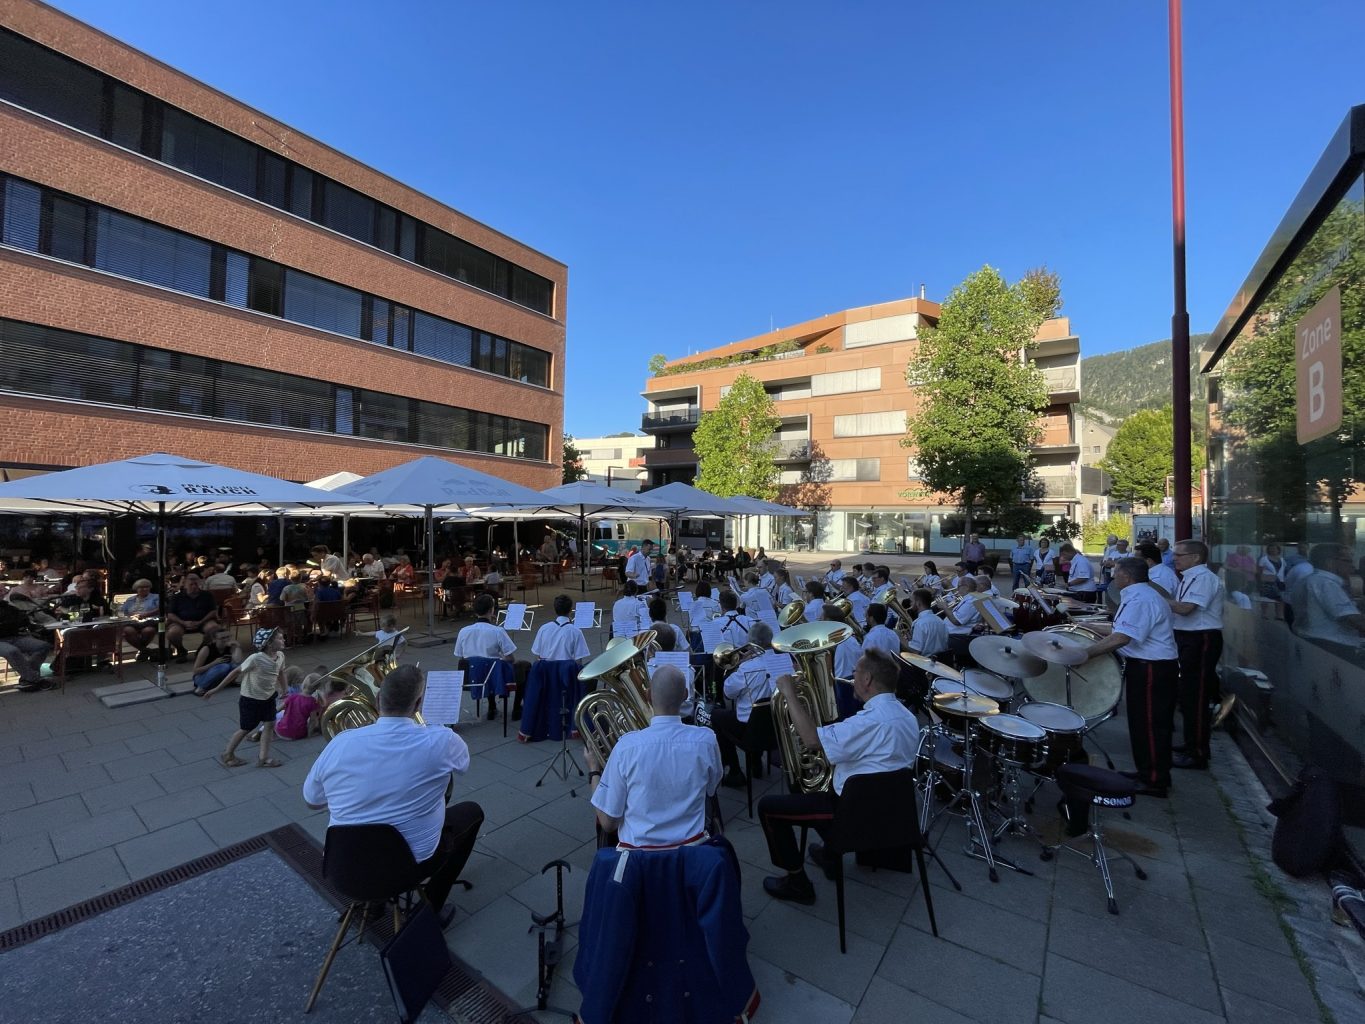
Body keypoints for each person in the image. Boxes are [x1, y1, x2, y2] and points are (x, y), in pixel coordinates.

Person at [304, 664, 483, 927]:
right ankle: (430, 911)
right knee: (473, 812)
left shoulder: (341, 742)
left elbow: (312, 801)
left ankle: (374, 903)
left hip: (341, 869)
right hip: (407, 869)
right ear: (419, 704)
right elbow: (463, 766)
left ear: (378, 699)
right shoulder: (443, 740)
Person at [757, 649, 920, 904]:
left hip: (853, 818)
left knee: (768, 807)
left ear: (867, 679)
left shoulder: (868, 722)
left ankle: (797, 882)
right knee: (823, 786)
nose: (852, 678)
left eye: (855, 672)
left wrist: (789, 694)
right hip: (892, 815)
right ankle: (830, 855)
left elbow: (812, 740)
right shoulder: (908, 717)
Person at [584, 666, 721, 846]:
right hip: (693, 852)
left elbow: (608, 823)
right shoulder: (707, 740)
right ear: (686, 695)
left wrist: (594, 770)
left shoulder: (625, 747)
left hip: (638, 857)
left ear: (648, 695)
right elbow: (711, 788)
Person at [1082, 557, 1178, 797]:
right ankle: (1146, 772)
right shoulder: (1139, 595)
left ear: (1127, 575)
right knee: (1141, 723)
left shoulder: (1141, 599)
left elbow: (1122, 638)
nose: (1113, 576)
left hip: (1152, 669)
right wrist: (1088, 627)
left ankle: (1154, 780)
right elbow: (1122, 630)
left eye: (1116, 572)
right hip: (1147, 667)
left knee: (1150, 724)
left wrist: (1085, 654)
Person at [1167, 540, 1225, 770]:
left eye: (1179, 555)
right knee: (1188, 695)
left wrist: (1155, 598)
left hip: (1201, 638)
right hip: (1188, 637)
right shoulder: (1190, 576)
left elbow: (1186, 608)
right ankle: (1191, 743)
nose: (1175, 559)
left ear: (1196, 557)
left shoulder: (1203, 578)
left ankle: (1198, 753)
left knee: (1197, 696)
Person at [201, 626, 287, 769]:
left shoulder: (280, 656)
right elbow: (235, 672)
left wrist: (285, 689)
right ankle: (228, 754)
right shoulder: (256, 658)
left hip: (268, 697)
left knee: (269, 724)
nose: (283, 639)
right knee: (246, 728)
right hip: (251, 699)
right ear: (269, 643)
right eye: (279, 638)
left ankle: (263, 758)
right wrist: (216, 689)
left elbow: (281, 672)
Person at [710, 621, 776, 788]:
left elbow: (728, 693)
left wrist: (738, 665)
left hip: (749, 729)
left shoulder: (747, 667)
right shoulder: (782, 661)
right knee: (759, 714)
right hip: (777, 727)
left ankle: (734, 770)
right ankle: (755, 761)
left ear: (751, 643)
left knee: (716, 715)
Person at [1289, 543, 1365, 659]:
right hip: (1333, 647)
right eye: (1347, 561)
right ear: (1330, 562)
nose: (1353, 565)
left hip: (1313, 643)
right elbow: (1352, 619)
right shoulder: (1326, 583)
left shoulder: (1308, 580)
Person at [455, 595, 519, 722]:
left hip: (472, 676)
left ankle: (492, 706)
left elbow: (462, 656)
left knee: (485, 665)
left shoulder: (463, 631)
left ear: (475, 611)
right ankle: (516, 708)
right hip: (494, 677)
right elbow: (511, 658)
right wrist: (500, 658)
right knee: (504, 666)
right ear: (491, 610)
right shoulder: (498, 631)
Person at [0, 596, 51, 692]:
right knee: (12, 651)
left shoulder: (8, 607)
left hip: (14, 637)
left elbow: (24, 620)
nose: (2, 593)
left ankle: (27, 679)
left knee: (42, 646)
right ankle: (36, 679)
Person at [190, 629, 242, 694]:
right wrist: (214, 663)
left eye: (228, 637)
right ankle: (200, 688)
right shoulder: (206, 649)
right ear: (214, 639)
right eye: (222, 638)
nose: (226, 640)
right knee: (224, 666)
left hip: (218, 676)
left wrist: (237, 646)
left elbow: (238, 661)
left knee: (236, 666)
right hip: (200, 678)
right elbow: (195, 671)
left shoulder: (230, 647)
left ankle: (230, 682)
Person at [120, 579, 160, 660]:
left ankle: (143, 651)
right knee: (127, 630)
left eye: (147, 587)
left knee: (148, 631)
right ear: (136, 588)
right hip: (133, 622)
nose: (144, 589)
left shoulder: (156, 597)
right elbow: (123, 611)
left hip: (150, 621)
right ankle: (144, 650)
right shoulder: (130, 599)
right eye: (141, 587)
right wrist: (132, 616)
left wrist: (145, 614)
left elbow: (160, 608)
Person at [908, 588, 949, 658]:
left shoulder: (920, 623)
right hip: (941, 661)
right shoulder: (940, 620)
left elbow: (916, 651)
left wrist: (900, 639)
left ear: (918, 603)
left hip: (924, 661)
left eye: (911, 601)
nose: (910, 604)